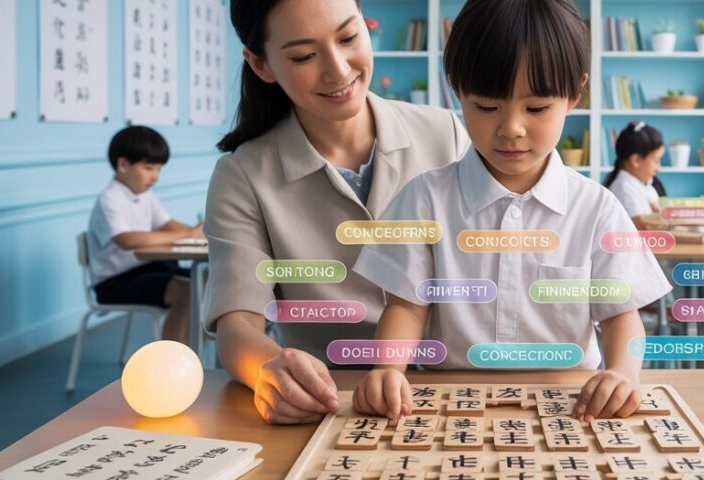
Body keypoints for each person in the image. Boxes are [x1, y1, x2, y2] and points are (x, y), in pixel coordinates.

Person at [350, 0, 672, 421]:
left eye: (536, 108)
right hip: (449, 402)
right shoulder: (424, 199)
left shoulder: (596, 208)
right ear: (455, 89)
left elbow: (620, 316)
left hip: (570, 405)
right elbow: (407, 307)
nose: (511, 128)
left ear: (576, 93)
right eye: (486, 107)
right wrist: (387, 370)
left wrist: (623, 372)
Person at [205, 0, 471, 425]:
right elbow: (238, 324)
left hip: (449, 389)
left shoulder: (446, 134)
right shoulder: (242, 174)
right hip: (329, 400)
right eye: (304, 56)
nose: (338, 69)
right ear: (261, 65)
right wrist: (269, 369)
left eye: (348, 37)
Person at [88, 126, 201, 344]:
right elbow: (127, 240)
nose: (155, 177)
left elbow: (167, 224)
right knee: (186, 291)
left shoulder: (146, 195)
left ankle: (199, 349)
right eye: (149, 168)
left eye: (159, 169)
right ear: (123, 165)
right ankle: (174, 358)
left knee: (203, 281)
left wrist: (198, 233)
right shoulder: (109, 199)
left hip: (145, 268)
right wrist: (187, 234)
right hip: (115, 282)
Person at [604, 121, 667, 228]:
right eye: (656, 161)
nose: (658, 168)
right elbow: (642, 226)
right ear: (636, 160)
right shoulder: (623, 189)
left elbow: (658, 212)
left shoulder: (644, 185)